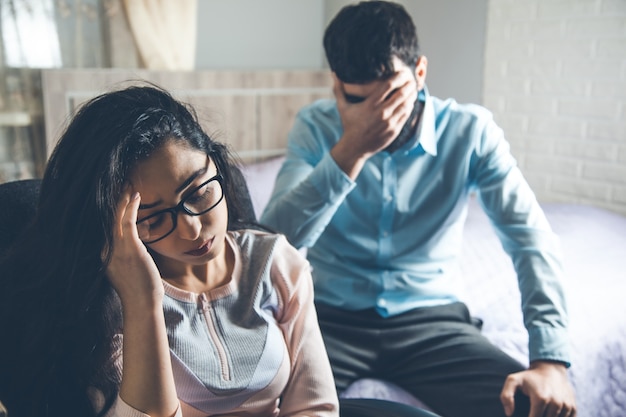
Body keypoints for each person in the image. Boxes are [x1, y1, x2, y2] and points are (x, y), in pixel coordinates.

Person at [260, 2, 577, 417]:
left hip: (432, 323)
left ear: (420, 72)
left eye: (391, 97)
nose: (379, 119)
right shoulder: (315, 126)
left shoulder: (470, 132)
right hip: (329, 320)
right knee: (263, 407)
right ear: (338, 84)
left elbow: (530, 240)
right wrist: (351, 149)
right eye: (359, 102)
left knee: (531, 408)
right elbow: (269, 246)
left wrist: (550, 360)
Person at [0, 85, 340, 417]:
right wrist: (142, 299)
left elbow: (316, 406)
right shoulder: (104, 305)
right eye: (155, 217)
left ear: (217, 165)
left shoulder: (275, 263)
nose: (193, 228)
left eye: (198, 193)